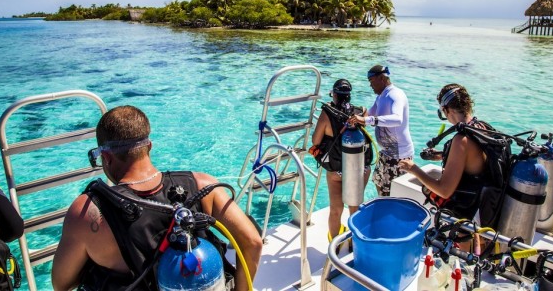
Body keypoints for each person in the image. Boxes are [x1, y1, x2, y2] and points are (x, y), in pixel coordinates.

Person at [52, 105, 262, 291]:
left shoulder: (88, 212)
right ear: (149, 146)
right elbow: (252, 242)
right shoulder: (203, 186)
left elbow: (62, 283)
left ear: (106, 157)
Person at [398, 84, 487, 222]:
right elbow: (472, 159)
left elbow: (444, 191)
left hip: (468, 222)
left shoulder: (461, 140)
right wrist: (441, 155)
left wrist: (414, 169)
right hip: (483, 210)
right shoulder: (481, 127)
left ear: (446, 110)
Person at [310, 79, 372, 241]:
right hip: (360, 169)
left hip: (337, 170)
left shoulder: (327, 113)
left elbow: (315, 141)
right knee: (355, 206)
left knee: (336, 209)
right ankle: (355, 240)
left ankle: (335, 243)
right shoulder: (362, 112)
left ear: (335, 95)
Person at [348, 65, 414, 196]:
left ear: (382, 78)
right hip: (386, 153)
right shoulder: (381, 97)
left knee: (392, 194)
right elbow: (368, 114)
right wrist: (352, 115)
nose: (370, 85)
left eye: (371, 81)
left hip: (398, 156)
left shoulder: (395, 95)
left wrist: (368, 120)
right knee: (379, 184)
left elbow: (397, 119)